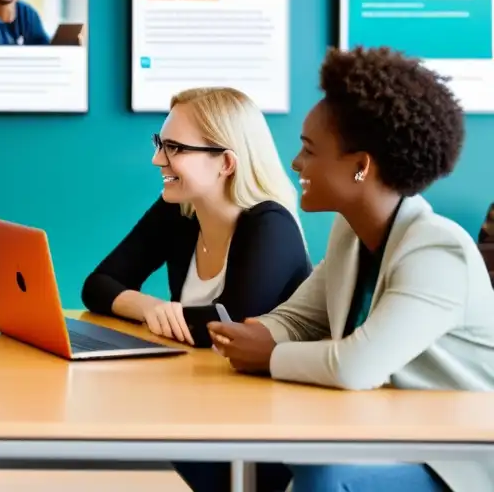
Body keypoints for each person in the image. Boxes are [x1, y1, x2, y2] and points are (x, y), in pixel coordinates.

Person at [209, 46, 494, 492]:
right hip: (379, 429)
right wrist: (254, 333)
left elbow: (356, 367)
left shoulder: (437, 251)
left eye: (308, 150)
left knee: (324, 474)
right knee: (211, 448)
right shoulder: (351, 233)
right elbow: (300, 318)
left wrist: (267, 355)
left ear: (360, 167)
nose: (295, 163)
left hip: (454, 459)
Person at [81, 87, 310, 492]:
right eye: (159, 143)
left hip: (264, 429)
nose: (157, 160)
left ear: (225, 162)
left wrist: (162, 312)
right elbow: (97, 286)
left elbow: (228, 326)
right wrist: (151, 306)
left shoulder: (271, 226)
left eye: (174, 148)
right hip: (200, 403)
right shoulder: (179, 211)